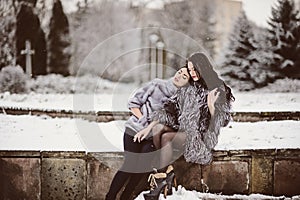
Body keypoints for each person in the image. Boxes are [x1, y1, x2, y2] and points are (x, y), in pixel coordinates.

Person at [134, 52, 235, 199]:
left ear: (203, 67)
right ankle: (167, 172)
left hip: (201, 138)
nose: (192, 73)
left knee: (167, 137)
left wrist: (212, 108)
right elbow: (169, 110)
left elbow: (224, 120)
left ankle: (160, 180)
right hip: (184, 131)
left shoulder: (218, 89)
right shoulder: (189, 88)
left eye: (194, 69)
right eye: (189, 69)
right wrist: (147, 128)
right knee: (157, 129)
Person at [105, 67, 190, 200]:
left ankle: (126, 197)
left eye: (184, 77)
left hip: (153, 137)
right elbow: (133, 104)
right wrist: (143, 122)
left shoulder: (181, 99)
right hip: (134, 129)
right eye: (179, 72)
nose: (179, 76)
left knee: (142, 167)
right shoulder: (157, 84)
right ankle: (110, 197)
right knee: (130, 164)